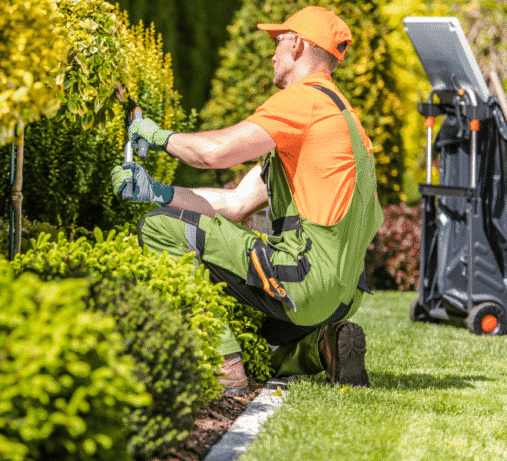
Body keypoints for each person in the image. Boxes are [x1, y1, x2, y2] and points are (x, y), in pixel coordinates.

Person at [111, 6, 383, 394]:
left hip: (304, 279)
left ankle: (225, 369)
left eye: (277, 42)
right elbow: (237, 203)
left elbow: (213, 153)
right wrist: (158, 192)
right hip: (342, 295)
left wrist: (156, 136)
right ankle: (322, 347)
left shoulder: (303, 101)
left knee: (158, 227)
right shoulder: (340, 118)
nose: (271, 53)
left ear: (297, 44)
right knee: (255, 338)